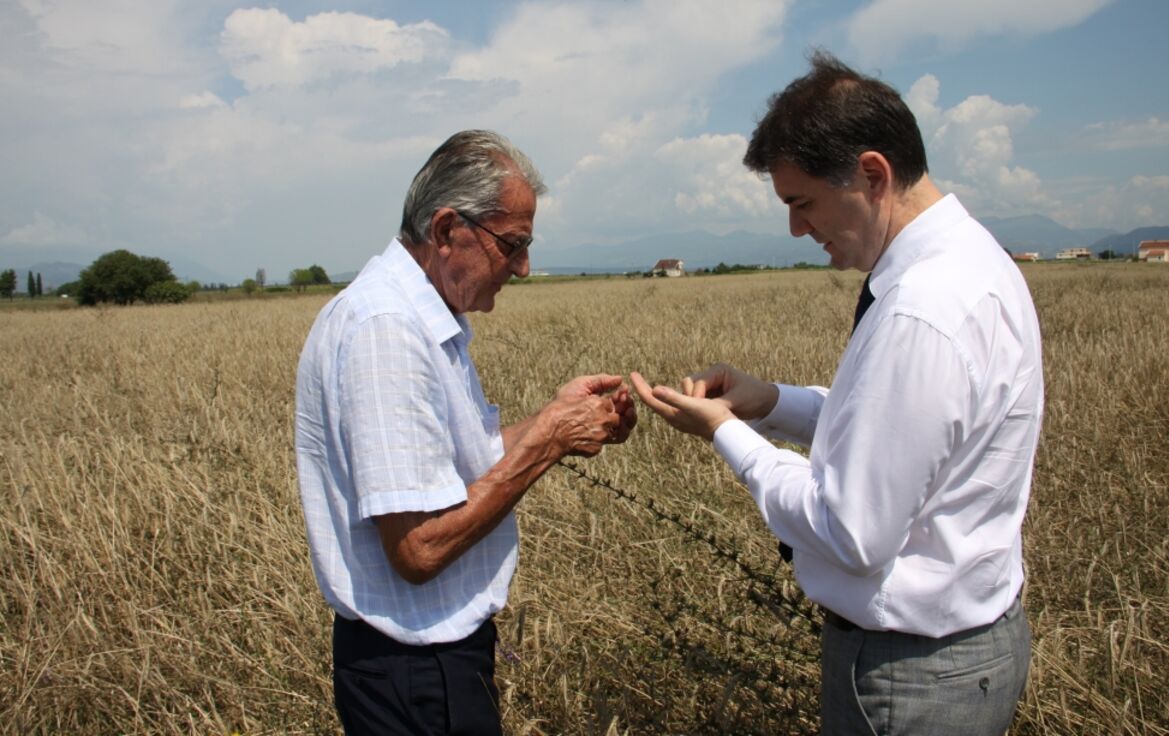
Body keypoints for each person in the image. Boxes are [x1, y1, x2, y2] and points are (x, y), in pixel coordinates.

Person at [631, 52, 1042, 735]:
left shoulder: (922, 310)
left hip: (911, 676)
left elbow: (853, 533)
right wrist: (768, 402)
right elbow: (895, 442)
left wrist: (727, 434)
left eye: (802, 203)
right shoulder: (973, 262)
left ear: (872, 175)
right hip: (963, 652)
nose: (798, 229)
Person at [295, 130, 637, 735]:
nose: (523, 268)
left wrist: (555, 417)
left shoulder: (414, 317)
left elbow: (450, 471)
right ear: (448, 230)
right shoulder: (387, 331)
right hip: (417, 673)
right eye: (513, 244)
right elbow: (419, 548)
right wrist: (549, 441)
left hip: (422, 667)